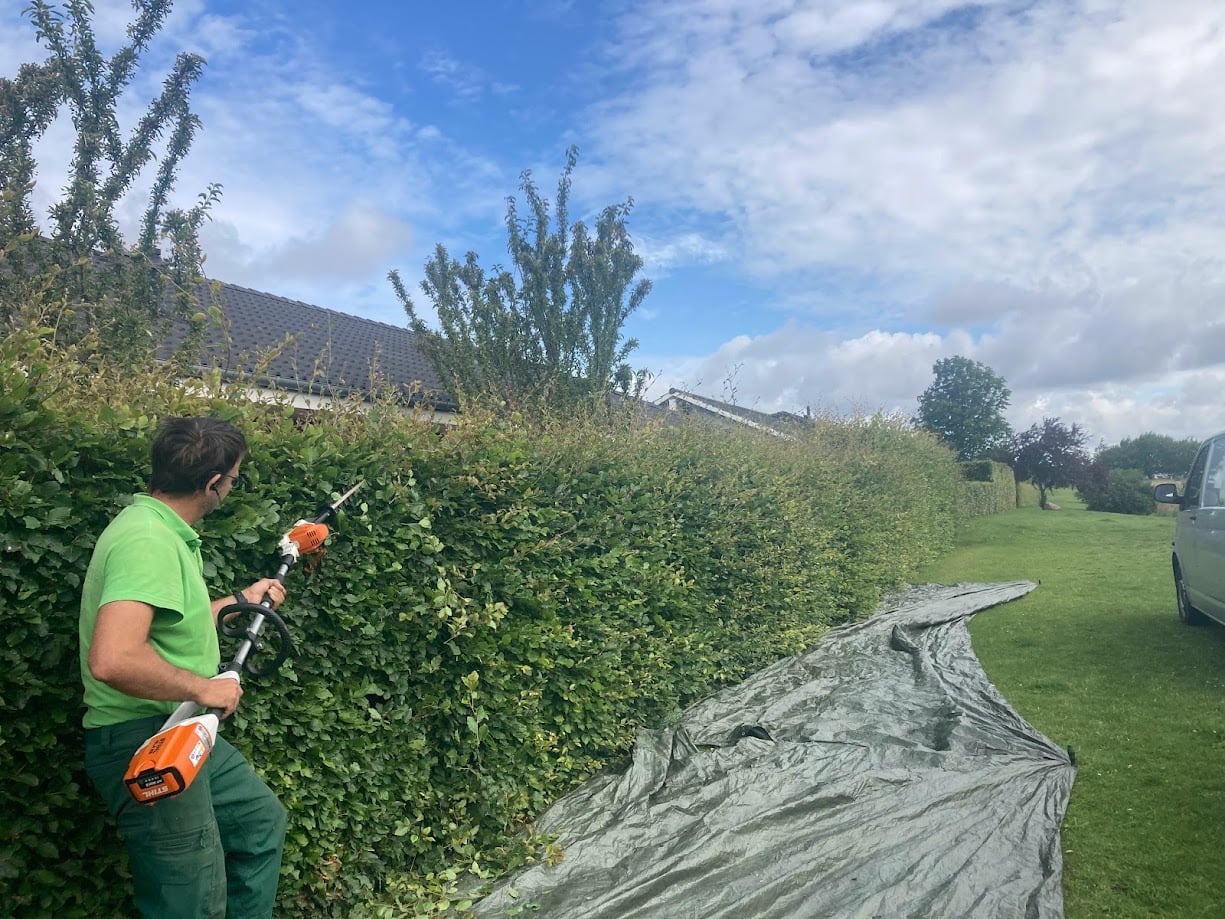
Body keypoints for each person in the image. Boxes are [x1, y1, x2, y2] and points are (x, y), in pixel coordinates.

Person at [79, 416, 288, 918]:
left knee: (260, 823)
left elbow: (172, 623)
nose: (232, 487)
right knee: (191, 900)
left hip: (181, 727)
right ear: (213, 484)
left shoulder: (164, 532)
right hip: (145, 738)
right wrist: (208, 688)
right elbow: (114, 658)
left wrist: (241, 600)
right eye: (234, 479)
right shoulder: (147, 542)